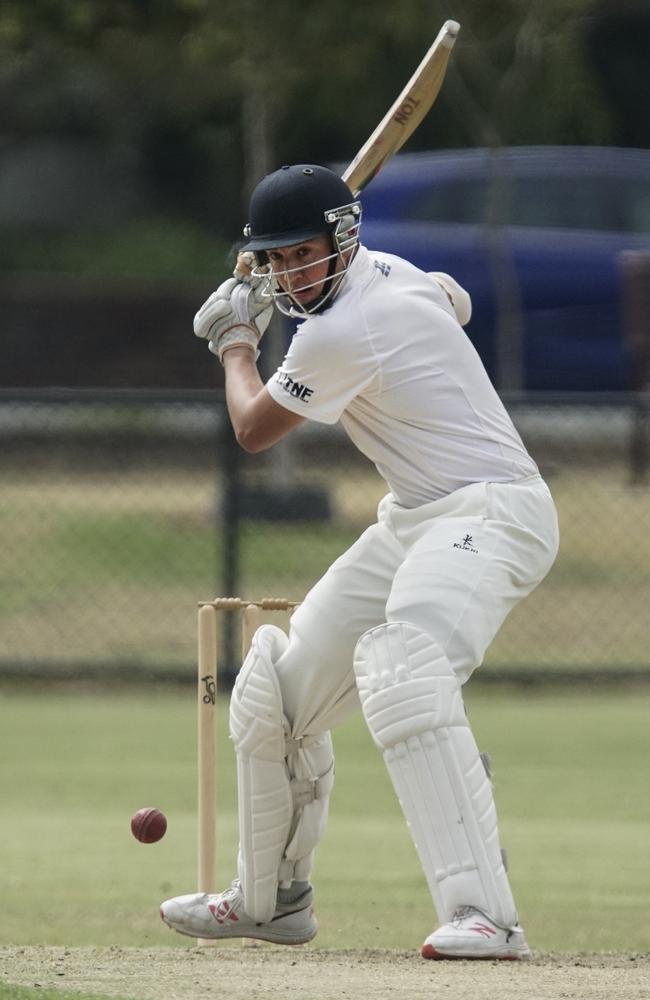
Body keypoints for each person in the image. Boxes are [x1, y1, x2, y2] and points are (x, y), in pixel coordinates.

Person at [160, 164, 559, 959]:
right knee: (274, 693)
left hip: (493, 510)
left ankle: (486, 916)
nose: (290, 274)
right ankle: (272, 901)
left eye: (303, 255)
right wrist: (285, 301)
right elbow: (456, 299)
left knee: (406, 667)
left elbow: (253, 429)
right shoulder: (394, 276)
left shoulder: (343, 331)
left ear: (344, 242)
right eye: (275, 261)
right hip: (414, 517)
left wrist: (236, 341)